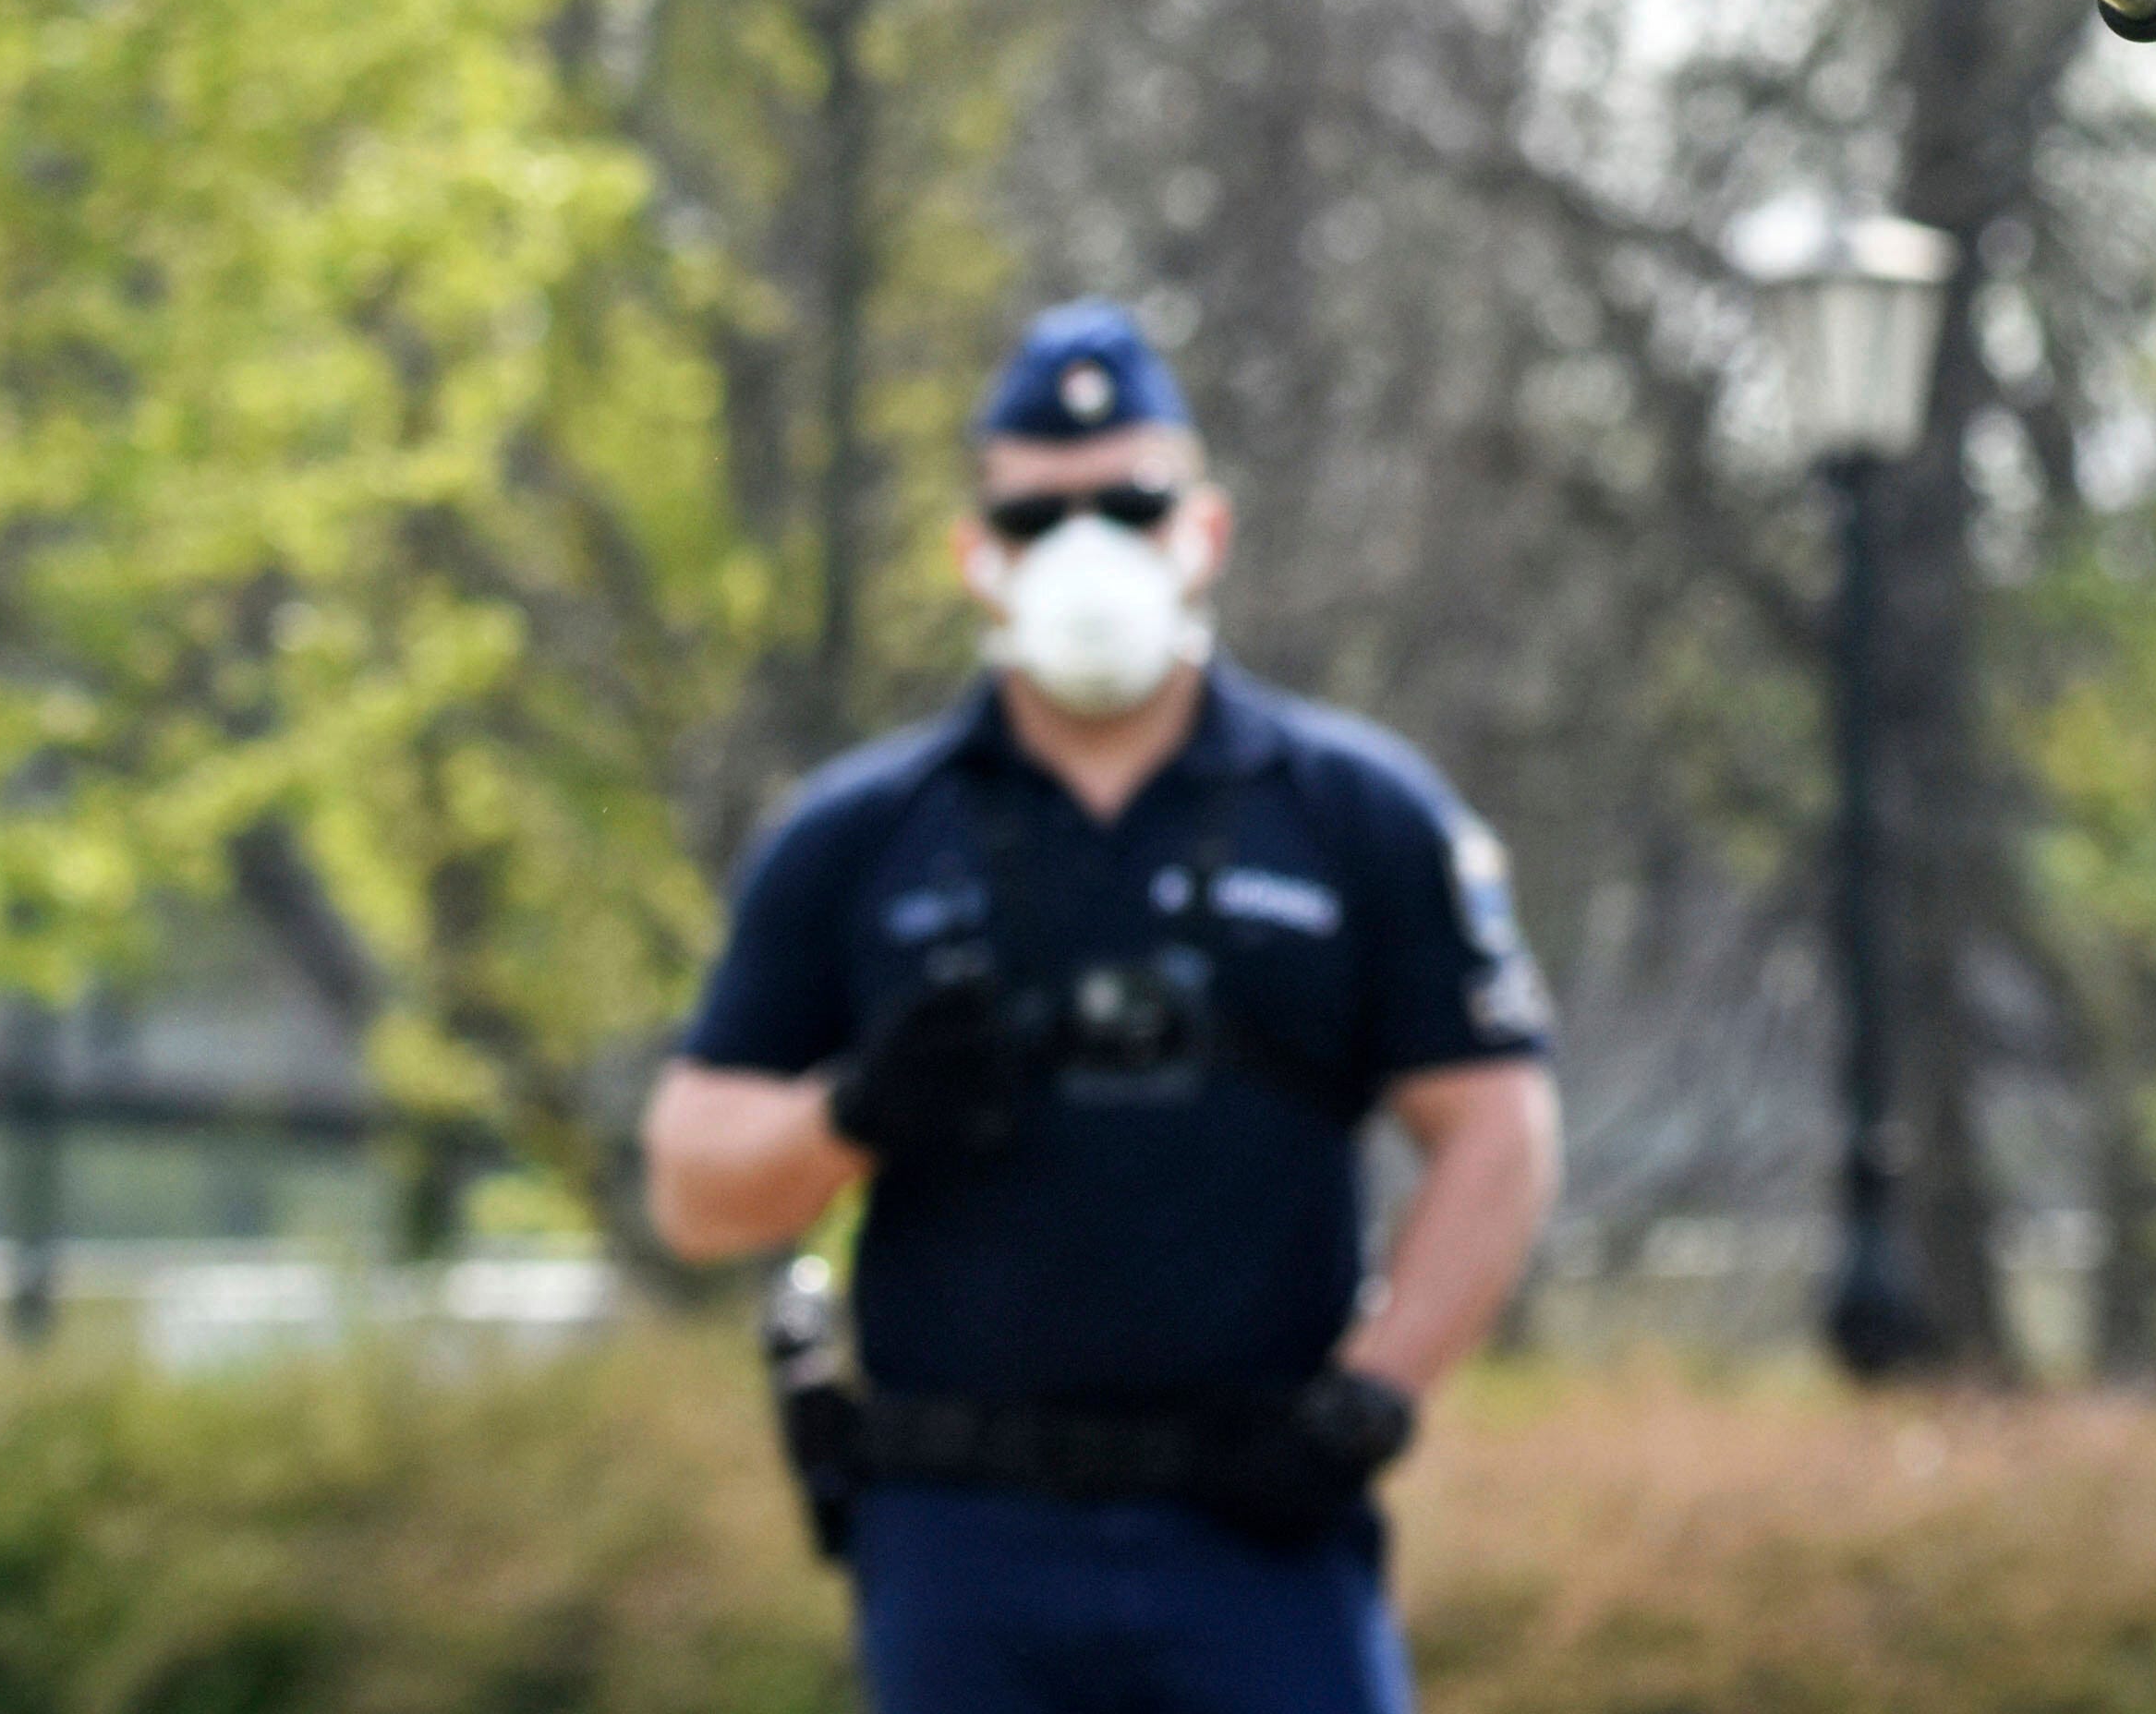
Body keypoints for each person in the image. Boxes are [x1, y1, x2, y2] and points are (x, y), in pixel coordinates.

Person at [643, 299, 1564, 1714]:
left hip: (1261, 1523)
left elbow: (1497, 1124)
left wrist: (1374, 1398)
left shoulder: (1355, 816)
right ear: (976, 559)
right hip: (962, 1533)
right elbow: (695, 1187)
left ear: (1205, 533)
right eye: (1039, 516)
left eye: (1131, 506)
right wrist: (849, 1116)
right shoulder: (862, 836)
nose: (1088, 549)